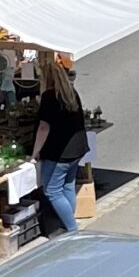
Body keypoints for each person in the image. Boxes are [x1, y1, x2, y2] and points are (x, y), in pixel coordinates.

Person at [32, 65, 88, 237]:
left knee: (52, 190)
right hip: (77, 148)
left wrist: (35, 152)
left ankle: (71, 229)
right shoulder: (71, 93)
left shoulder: (50, 96)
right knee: (67, 186)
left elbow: (44, 128)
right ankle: (68, 222)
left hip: (59, 152)